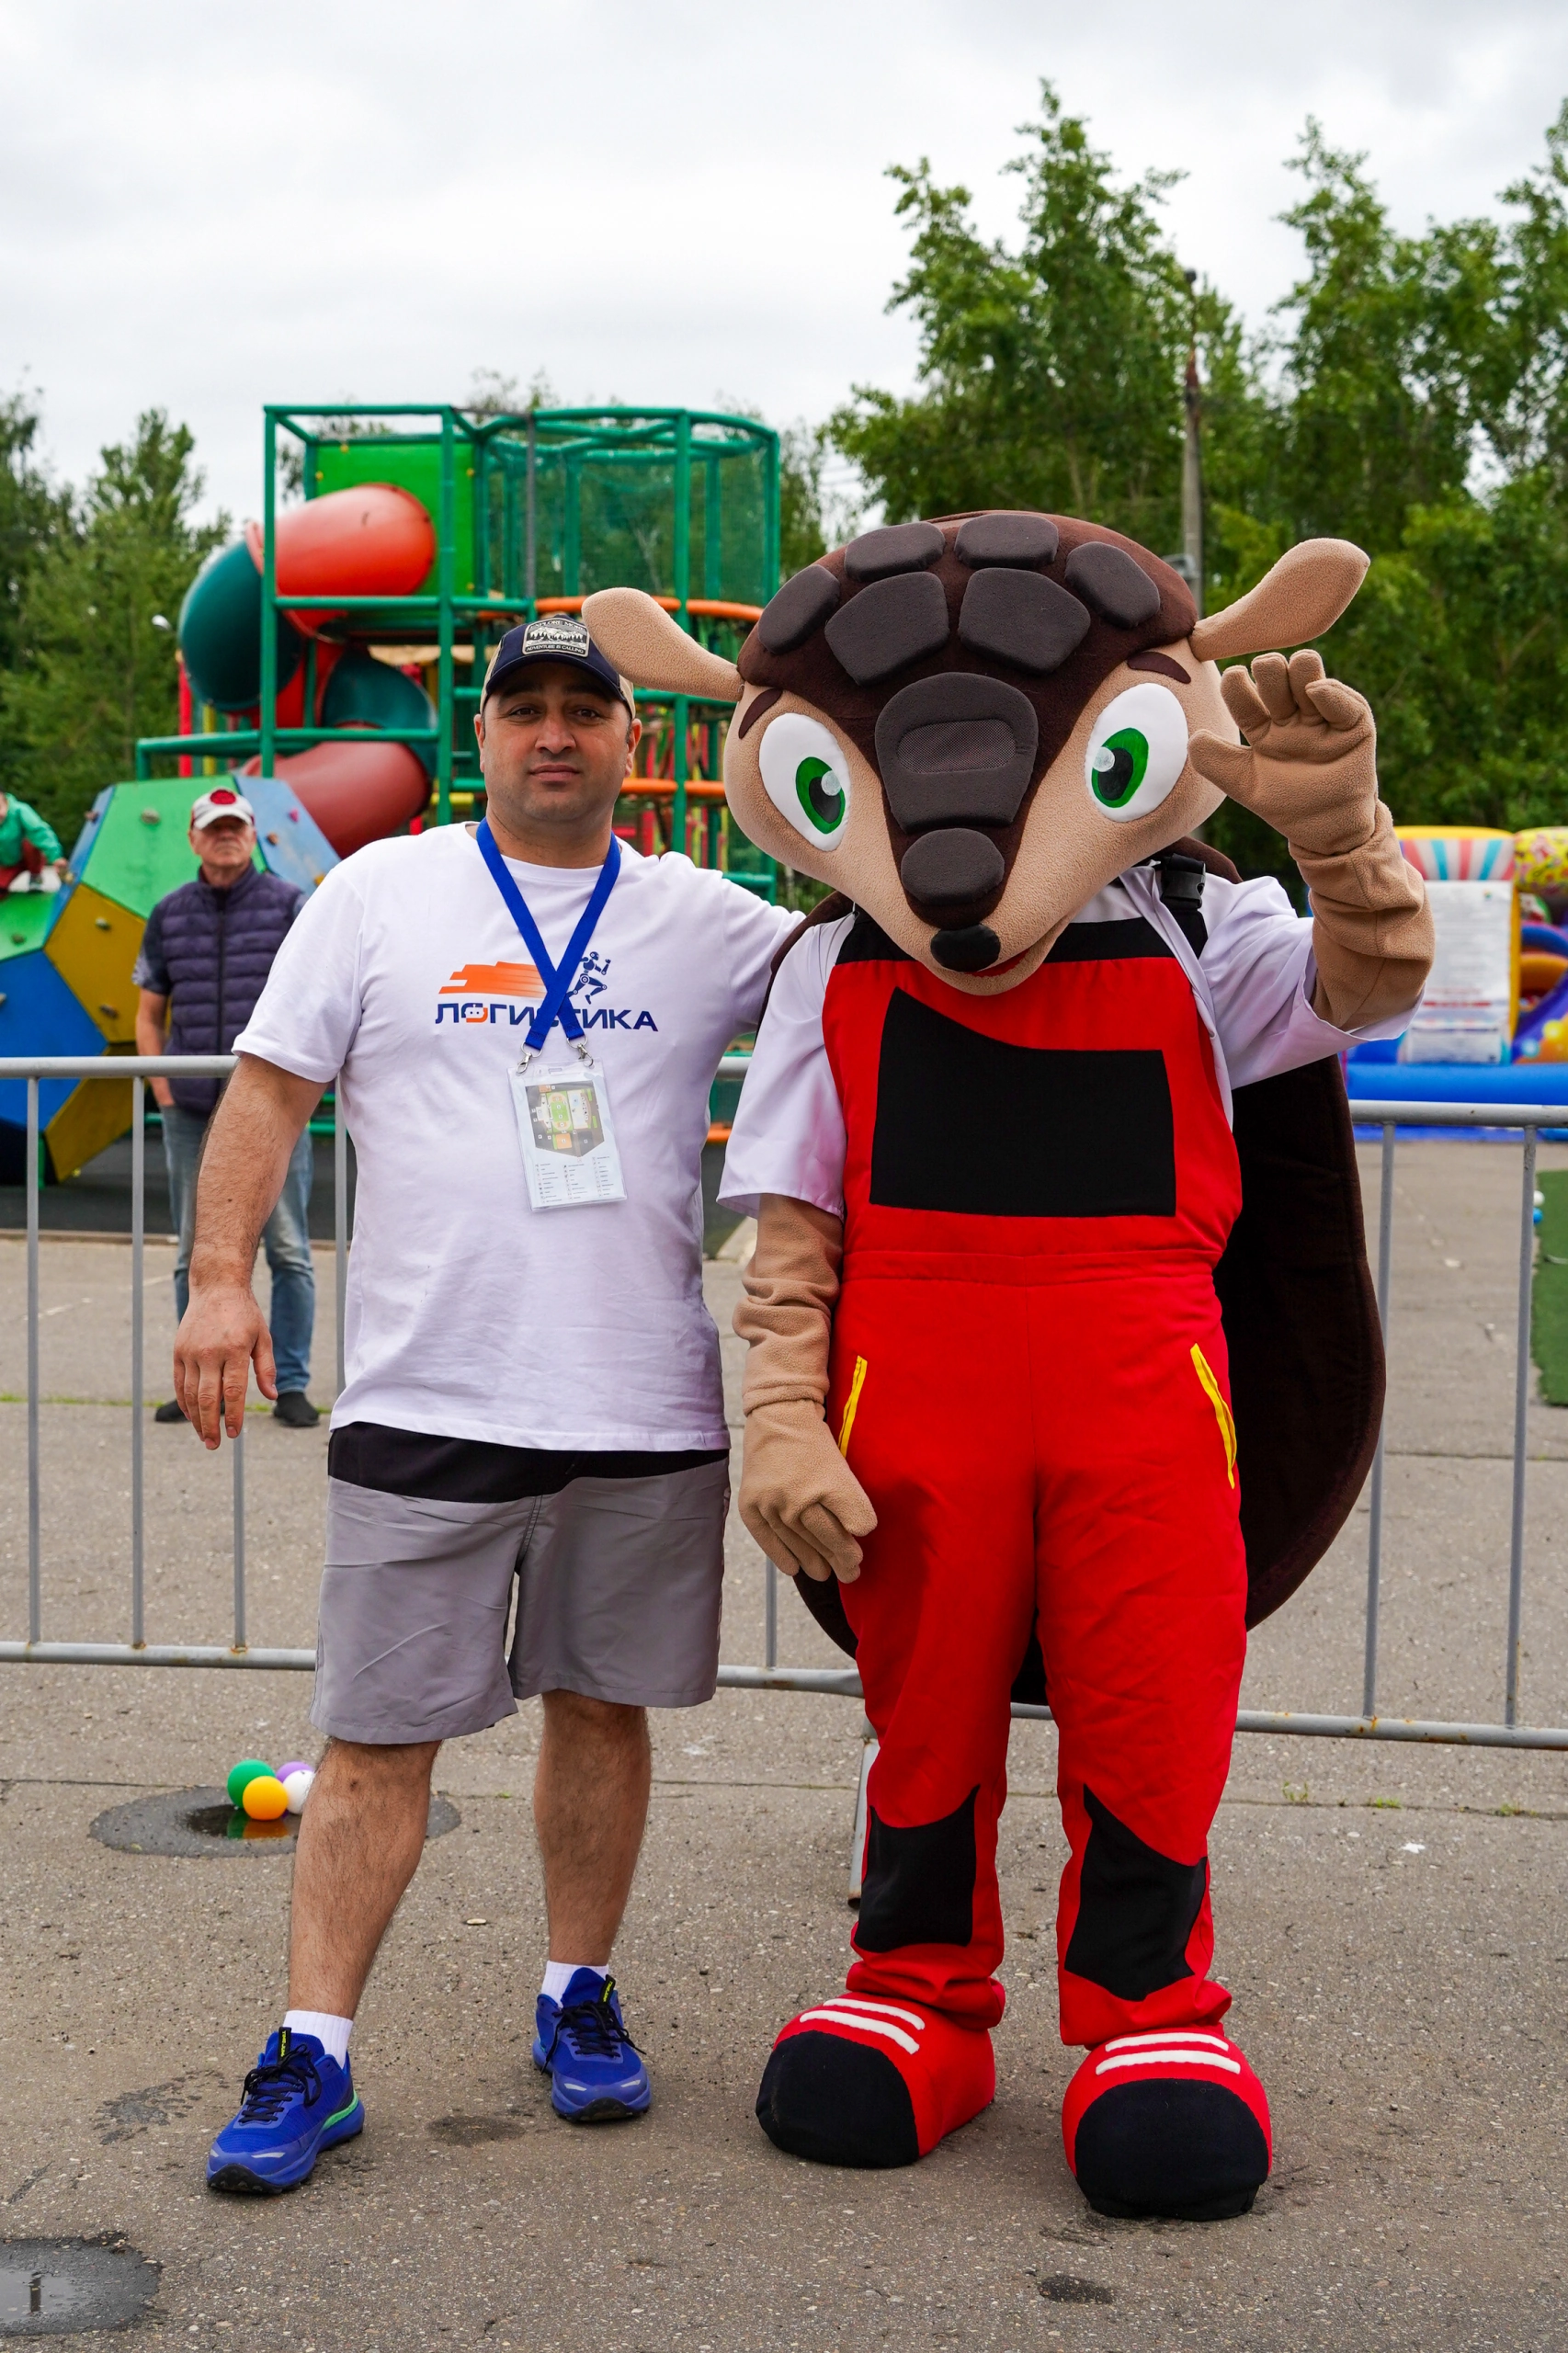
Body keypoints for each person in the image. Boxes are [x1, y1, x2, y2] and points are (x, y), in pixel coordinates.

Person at [180, 613, 796, 2195]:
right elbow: (271, 1087)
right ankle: (312, 2048)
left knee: (600, 1710)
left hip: (638, 1409)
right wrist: (220, 1277)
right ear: (482, 736)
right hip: (428, 1393)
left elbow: (882, 953)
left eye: (586, 709)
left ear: (633, 743)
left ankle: (575, 1992)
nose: (554, 733)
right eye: (525, 708)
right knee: (375, 1738)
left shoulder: (711, 922)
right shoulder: (379, 894)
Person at [133, 787, 320, 1428]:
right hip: (190, 1111)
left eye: (236, 825)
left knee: (289, 1249)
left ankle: (290, 1382)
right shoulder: (168, 912)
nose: (226, 836)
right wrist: (163, 1090)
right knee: (194, 1253)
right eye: (214, 828)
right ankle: (199, 1381)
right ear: (193, 838)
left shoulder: (289, 904)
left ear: (253, 833)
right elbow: (149, 1011)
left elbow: (315, 1003)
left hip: (274, 1111)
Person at [0, 789, 66, 893]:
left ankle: (36, 877)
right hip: (7, 862)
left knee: (31, 842)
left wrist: (56, 858)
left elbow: (39, 832)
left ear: (5, 800)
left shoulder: (20, 810)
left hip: (28, 855)